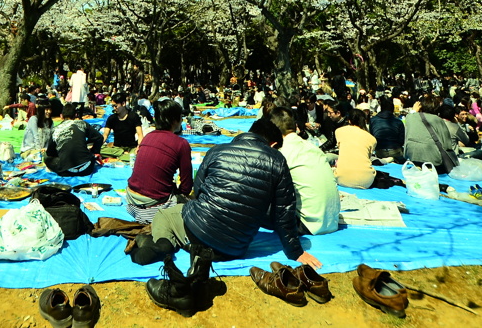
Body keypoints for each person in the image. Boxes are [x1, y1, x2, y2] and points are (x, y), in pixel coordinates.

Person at [143, 118, 320, 316]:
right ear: (273, 144)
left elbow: (197, 192)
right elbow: (284, 212)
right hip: (234, 248)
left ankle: (163, 244)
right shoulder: (277, 161)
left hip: (198, 233)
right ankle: (198, 277)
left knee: (165, 214)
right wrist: (295, 252)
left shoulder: (217, 150)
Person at [269, 107, 340, 235]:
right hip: (330, 221)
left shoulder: (282, 151)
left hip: (307, 224)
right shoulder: (311, 147)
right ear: (295, 126)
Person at [126, 100, 193, 225]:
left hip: (131, 198)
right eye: (181, 117)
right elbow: (186, 186)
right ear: (174, 120)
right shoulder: (181, 144)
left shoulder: (148, 136)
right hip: (153, 203)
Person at [44, 103, 103, 177]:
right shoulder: (82, 124)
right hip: (87, 168)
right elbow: (99, 138)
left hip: (66, 171)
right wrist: (94, 152)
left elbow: (50, 153)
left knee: (46, 157)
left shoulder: (55, 130)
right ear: (76, 115)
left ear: (61, 116)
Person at [403, 95, 456, 174]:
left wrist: (414, 110)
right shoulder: (438, 120)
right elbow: (447, 145)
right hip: (433, 160)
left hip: (412, 156)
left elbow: (411, 115)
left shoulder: (410, 117)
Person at [334, 109, 378, 189]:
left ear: (349, 121)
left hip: (341, 178)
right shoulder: (372, 139)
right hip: (367, 181)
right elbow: (367, 157)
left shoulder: (339, 131)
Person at [368, 96, 405, 162]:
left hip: (379, 151)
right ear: (392, 109)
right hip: (395, 150)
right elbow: (401, 141)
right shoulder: (398, 122)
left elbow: (371, 137)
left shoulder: (372, 120)